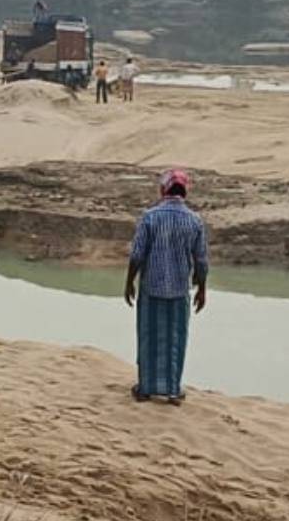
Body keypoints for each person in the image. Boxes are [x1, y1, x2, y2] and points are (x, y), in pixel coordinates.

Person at [124, 169, 209, 405]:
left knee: (149, 335)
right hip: (180, 288)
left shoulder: (150, 217)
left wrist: (129, 282)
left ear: (164, 189)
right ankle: (172, 391)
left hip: (151, 287)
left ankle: (145, 389)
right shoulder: (194, 220)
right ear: (184, 190)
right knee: (176, 338)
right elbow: (201, 259)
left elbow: (137, 254)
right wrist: (202, 288)